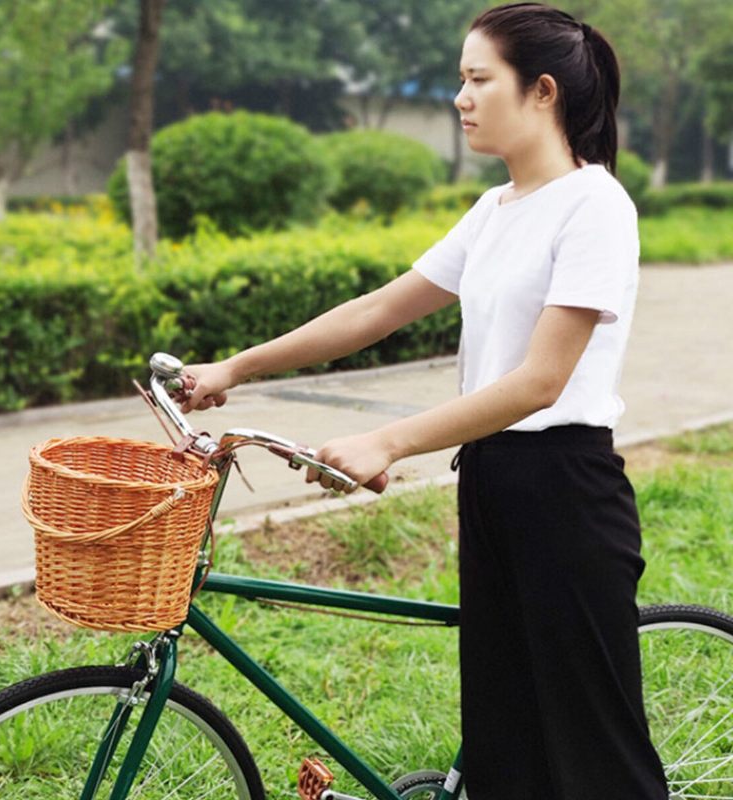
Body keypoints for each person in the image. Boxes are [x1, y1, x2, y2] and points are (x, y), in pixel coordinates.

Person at [181, 3, 670, 797]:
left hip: (566, 489)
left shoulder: (596, 206)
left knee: (596, 756)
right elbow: (376, 311)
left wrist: (391, 440)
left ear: (542, 92)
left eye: (479, 79)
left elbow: (541, 381)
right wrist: (235, 367)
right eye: (460, 79)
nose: (461, 97)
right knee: (506, 745)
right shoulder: (494, 209)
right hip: (490, 481)